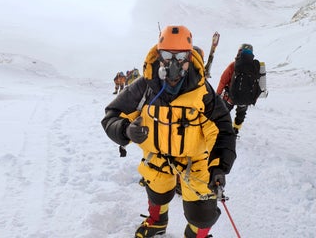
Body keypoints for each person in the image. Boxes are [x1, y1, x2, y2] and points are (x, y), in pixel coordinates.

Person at [101, 25, 237, 238]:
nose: (173, 62)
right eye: (166, 55)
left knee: (202, 213)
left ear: (190, 57)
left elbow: (222, 129)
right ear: (158, 54)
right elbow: (111, 115)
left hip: (196, 162)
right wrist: (126, 130)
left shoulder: (202, 91)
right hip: (158, 158)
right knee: (157, 192)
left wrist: (219, 166)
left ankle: (196, 235)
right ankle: (157, 222)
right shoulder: (144, 86)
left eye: (181, 56)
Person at [216, 43, 260, 135]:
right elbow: (258, 85)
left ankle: (220, 130)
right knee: (240, 115)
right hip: (246, 99)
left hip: (230, 97)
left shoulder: (233, 65)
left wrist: (218, 94)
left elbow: (223, 80)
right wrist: (253, 98)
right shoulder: (255, 66)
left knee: (223, 112)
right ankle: (235, 130)